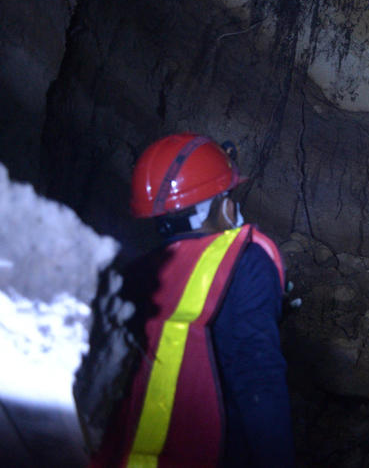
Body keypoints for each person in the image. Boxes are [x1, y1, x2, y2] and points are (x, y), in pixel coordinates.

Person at [89, 133, 296, 467]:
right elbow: (258, 379)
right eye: (229, 195)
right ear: (223, 207)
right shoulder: (246, 259)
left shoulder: (135, 274)